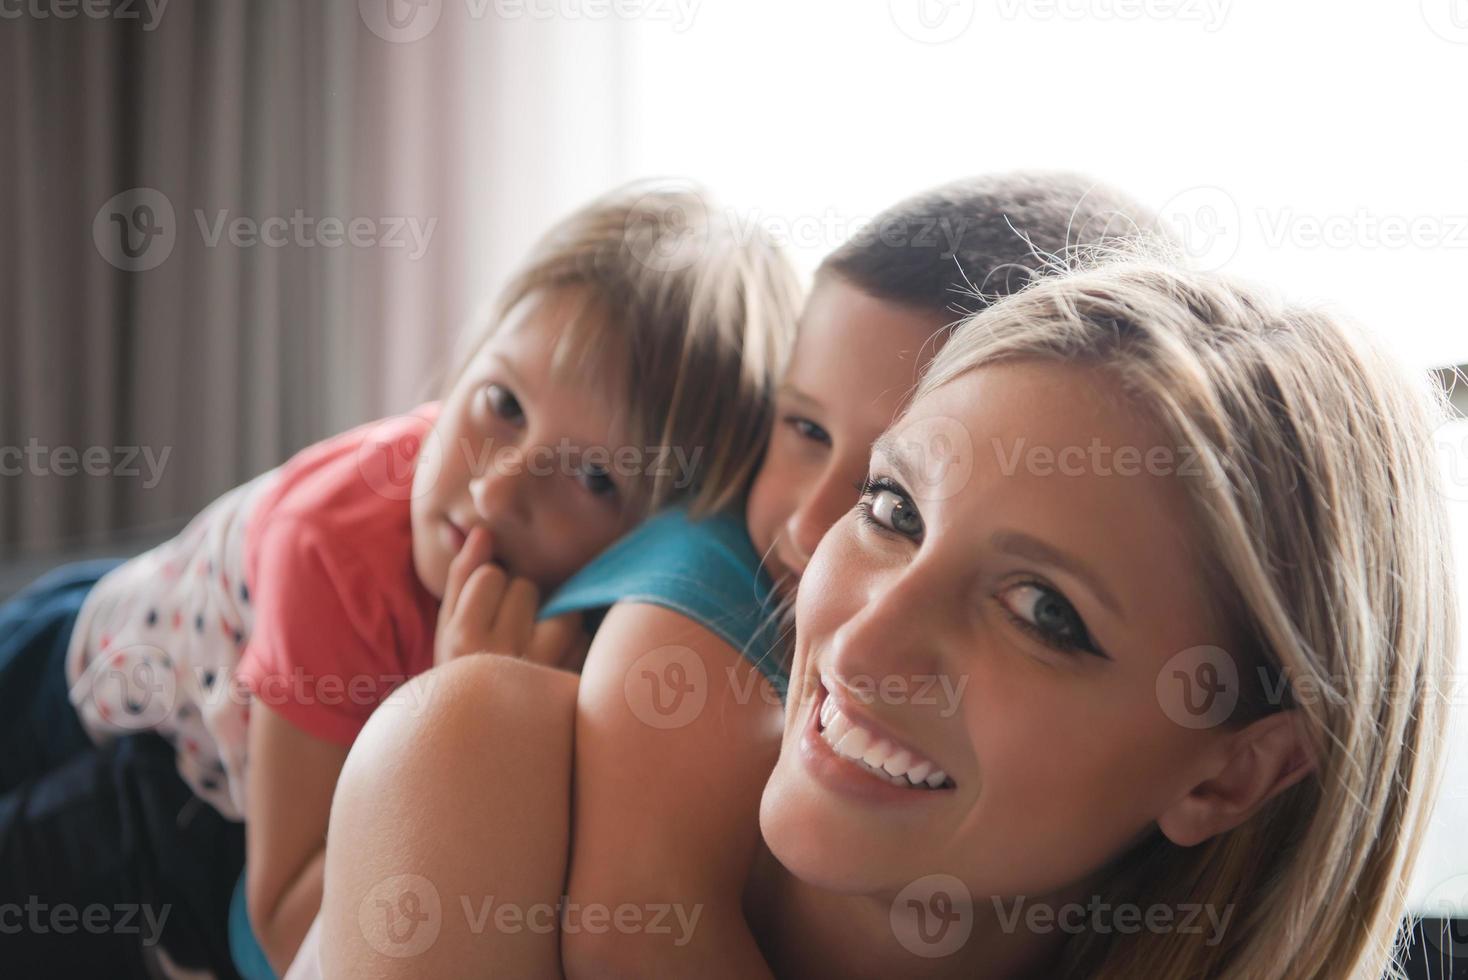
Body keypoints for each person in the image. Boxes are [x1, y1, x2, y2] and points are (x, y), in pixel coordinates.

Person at [325, 255, 1454, 978]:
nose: (860, 642)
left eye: (1041, 609)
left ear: (1230, 774)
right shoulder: (482, 767)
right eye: (894, 506)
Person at [314, 173, 1175, 977]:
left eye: (895, 493)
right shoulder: (703, 571)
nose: (807, 522)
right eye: (803, 429)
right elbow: (641, 913)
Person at [0, 180, 801, 978]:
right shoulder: (335, 559)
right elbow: (282, 924)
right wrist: (458, 717)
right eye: (503, 404)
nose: (496, 488)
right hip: (91, 677)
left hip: (215, 758)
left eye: (595, 478)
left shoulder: (621, 619)